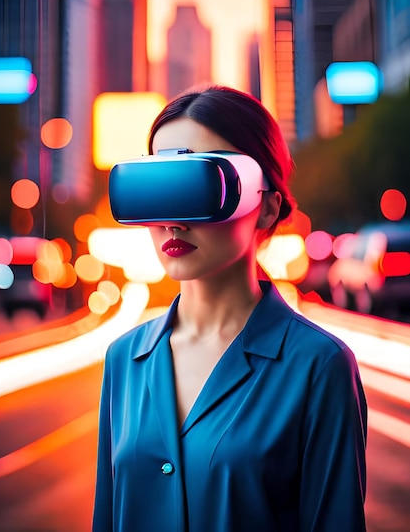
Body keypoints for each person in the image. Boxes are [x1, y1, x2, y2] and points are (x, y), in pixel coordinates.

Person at [92, 85, 367, 532]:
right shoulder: (123, 359)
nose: (171, 221)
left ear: (266, 206)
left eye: (198, 186)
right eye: (159, 187)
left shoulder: (320, 367)